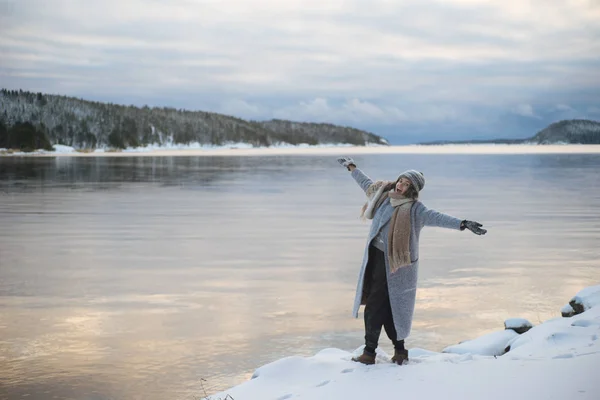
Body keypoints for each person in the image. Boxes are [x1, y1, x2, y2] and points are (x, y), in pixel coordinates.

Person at [336, 156, 487, 366]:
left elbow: (438, 217)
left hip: (397, 267)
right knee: (389, 309)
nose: (401, 186)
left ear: (412, 190)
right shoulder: (382, 196)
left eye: (407, 185)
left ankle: (369, 353)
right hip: (375, 260)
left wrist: (462, 223)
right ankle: (400, 351)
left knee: (374, 308)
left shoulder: (416, 210)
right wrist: (352, 168)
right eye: (401, 181)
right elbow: (367, 185)